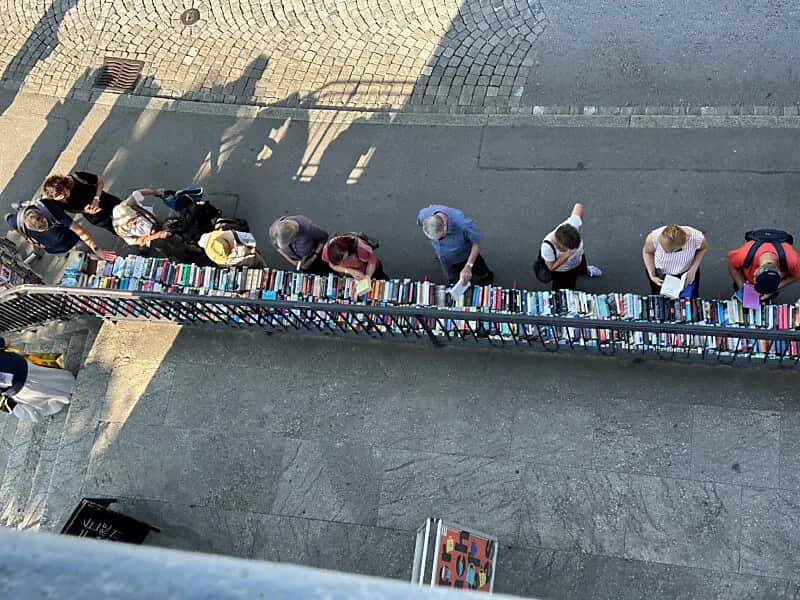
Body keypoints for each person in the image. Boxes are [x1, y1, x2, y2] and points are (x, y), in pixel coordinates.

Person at [112, 188, 210, 265]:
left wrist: (156, 192)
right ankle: (183, 257)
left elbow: (139, 192)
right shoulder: (121, 230)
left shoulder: (126, 206)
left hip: (154, 223)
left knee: (175, 237)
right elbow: (139, 240)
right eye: (133, 221)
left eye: (135, 216)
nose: (136, 219)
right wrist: (158, 235)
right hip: (152, 238)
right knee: (168, 247)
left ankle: (188, 247)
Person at [5, 199, 116, 261]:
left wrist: (96, 249)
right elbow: (7, 217)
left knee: (87, 256)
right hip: (53, 249)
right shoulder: (16, 222)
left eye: (46, 224)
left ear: (43, 215)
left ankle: (25, 204)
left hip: (72, 240)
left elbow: (79, 230)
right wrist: (28, 239)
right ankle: (23, 205)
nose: (46, 227)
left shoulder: (50, 210)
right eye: (40, 229)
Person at [0, 336, 75, 422]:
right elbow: (7, 342)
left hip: (15, 388)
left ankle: (59, 401)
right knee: (50, 378)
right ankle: (69, 386)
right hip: (20, 365)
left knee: (40, 396)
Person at [417, 204, 494, 286]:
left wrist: (468, 266)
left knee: (480, 269)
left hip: (465, 255)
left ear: (445, 227)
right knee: (452, 279)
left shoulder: (464, 224)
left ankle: (486, 276)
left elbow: (476, 244)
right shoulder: (424, 215)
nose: (438, 241)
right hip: (444, 260)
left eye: (441, 238)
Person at [539, 203, 602, 290]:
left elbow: (578, 206)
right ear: (561, 245)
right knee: (567, 286)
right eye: (570, 249)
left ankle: (586, 271)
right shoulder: (547, 248)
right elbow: (551, 267)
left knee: (582, 268)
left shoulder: (572, 225)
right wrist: (567, 255)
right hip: (564, 271)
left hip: (579, 259)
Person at [727, 231, 800, 301]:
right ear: (755, 272)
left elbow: (797, 276)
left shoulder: (794, 261)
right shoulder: (743, 255)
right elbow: (732, 265)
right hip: (746, 280)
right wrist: (742, 287)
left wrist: (774, 289)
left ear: (780, 274)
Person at [43, 172, 122, 234]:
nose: (64, 199)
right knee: (116, 230)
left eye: (64, 196)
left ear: (66, 187)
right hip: (95, 216)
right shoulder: (56, 200)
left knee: (129, 214)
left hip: (107, 201)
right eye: (60, 199)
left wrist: (96, 198)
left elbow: (99, 181)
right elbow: (70, 209)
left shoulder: (78, 177)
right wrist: (85, 211)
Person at [642, 224, 708, 297]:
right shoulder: (653, 237)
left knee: (690, 297)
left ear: (684, 243)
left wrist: (693, 270)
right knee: (659, 296)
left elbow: (703, 249)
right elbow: (647, 252)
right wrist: (652, 275)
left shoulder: (696, 238)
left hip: (686, 274)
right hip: (661, 274)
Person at [322, 233, 387, 280]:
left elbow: (372, 261)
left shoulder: (360, 248)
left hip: (371, 269)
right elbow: (332, 265)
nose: (344, 263)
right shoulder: (326, 251)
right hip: (354, 274)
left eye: (346, 258)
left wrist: (367, 277)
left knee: (381, 279)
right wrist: (348, 270)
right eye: (340, 263)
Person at [198, 229, 266, 268]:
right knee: (261, 264)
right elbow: (240, 236)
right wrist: (253, 246)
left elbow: (231, 262)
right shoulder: (216, 235)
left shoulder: (211, 254)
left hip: (239, 257)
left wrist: (250, 255)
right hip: (243, 250)